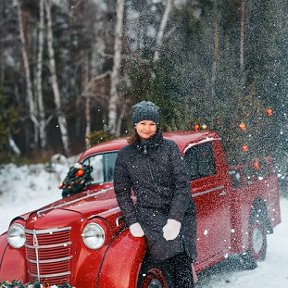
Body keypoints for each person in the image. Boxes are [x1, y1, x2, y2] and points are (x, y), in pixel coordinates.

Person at [114, 101, 197, 287]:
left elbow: (183, 186)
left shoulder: (170, 148)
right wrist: (132, 221)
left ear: (157, 125)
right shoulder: (125, 155)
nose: (147, 128)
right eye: (142, 123)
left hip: (179, 210)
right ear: (135, 125)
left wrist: (175, 219)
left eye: (152, 124)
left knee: (182, 257)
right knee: (164, 253)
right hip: (149, 213)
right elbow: (122, 191)